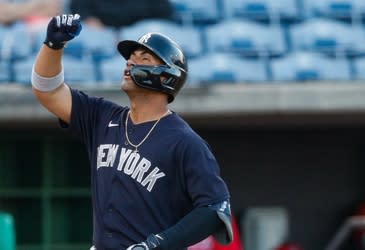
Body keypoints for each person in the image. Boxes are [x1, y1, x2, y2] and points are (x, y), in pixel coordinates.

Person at [31, 13, 233, 249]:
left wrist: (155, 245)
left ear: (167, 76)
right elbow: (47, 90)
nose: (129, 62)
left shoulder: (184, 141)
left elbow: (215, 208)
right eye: (130, 57)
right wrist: (53, 46)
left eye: (144, 58)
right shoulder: (101, 116)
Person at [69, 0, 173, 29]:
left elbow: (165, 11)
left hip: (139, 36)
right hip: (103, 32)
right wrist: (88, 18)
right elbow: (78, 7)